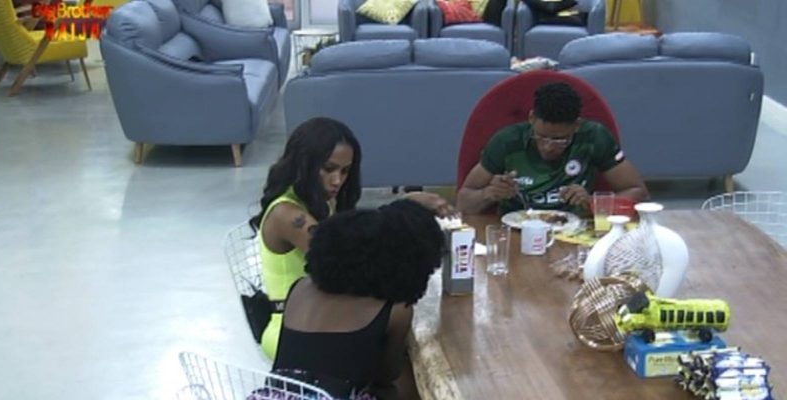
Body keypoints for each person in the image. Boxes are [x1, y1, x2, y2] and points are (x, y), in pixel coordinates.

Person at [250, 117, 453, 359]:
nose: (337, 180)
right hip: (292, 330)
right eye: (329, 169)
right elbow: (349, 257)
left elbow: (354, 240)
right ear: (303, 163)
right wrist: (405, 206)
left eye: (345, 171)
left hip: (319, 315)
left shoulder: (319, 202)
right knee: (398, 320)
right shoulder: (288, 214)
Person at [271, 199, 444, 400]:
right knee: (407, 386)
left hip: (274, 395)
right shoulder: (394, 311)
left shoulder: (299, 288)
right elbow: (387, 375)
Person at [456, 82, 649, 215]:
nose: (548, 147)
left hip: (575, 232)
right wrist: (490, 193)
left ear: (577, 125)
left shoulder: (594, 137)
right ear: (531, 118)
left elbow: (638, 193)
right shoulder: (506, 141)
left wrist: (592, 203)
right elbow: (463, 202)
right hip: (516, 232)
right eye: (541, 137)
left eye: (559, 140)